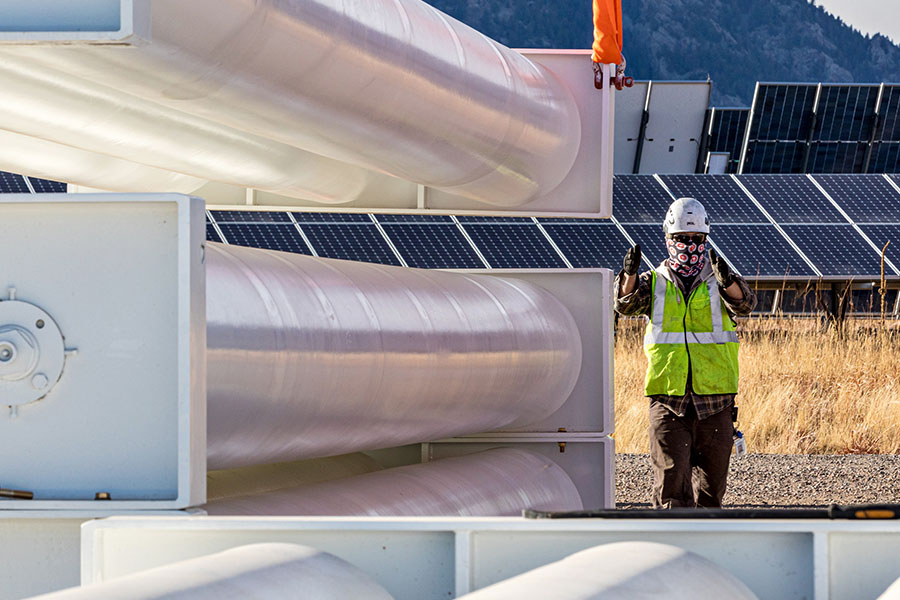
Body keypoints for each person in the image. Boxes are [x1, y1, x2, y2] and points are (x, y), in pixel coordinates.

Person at [614, 198, 757, 508]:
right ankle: (673, 547)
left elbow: (744, 303)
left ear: (705, 239)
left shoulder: (718, 280)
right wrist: (629, 275)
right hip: (668, 398)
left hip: (715, 400)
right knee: (671, 493)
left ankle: (707, 550)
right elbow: (624, 305)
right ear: (668, 239)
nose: (689, 245)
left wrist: (728, 280)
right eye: (682, 238)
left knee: (711, 494)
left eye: (697, 240)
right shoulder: (654, 282)